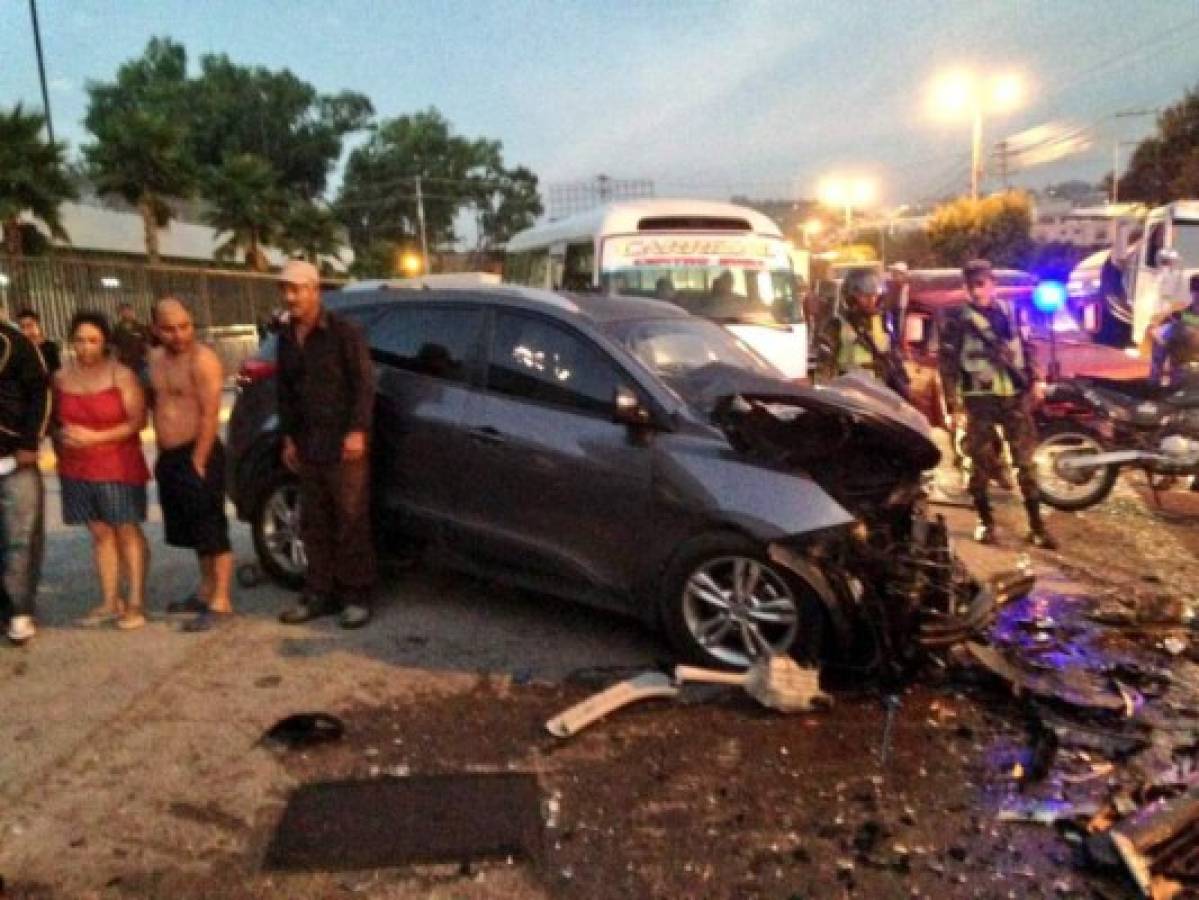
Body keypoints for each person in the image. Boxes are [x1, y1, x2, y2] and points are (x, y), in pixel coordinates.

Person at [275, 260, 376, 629]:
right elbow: (285, 391)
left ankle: (357, 596)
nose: (290, 297)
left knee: (350, 519)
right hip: (307, 442)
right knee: (313, 521)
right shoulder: (286, 337)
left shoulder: (343, 332)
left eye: (297, 289)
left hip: (343, 443)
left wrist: (357, 431)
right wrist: (288, 437)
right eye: (285, 290)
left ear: (315, 290)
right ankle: (319, 593)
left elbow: (364, 384)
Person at [939, 259, 1057, 550]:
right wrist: (953, 406)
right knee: (978, 464)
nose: (976, 290)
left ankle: (1037, 526)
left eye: (981, 283)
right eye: (970, 285)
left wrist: (1037, 379)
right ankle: (985, 522)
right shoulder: (957, 320)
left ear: (992, 284)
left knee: (1025, 464)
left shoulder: (1012, 314)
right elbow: (949, 365)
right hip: (978, 400)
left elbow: (1027, 348)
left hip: (1013, 398)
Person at [52, 312, 151, 630]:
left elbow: (137, 421)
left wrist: (96, 437)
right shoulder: (61, 377)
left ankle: (135, 601)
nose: (85, 347)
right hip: (76, 466)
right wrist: (60, 440)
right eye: (80, 340)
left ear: (105, 342)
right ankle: (110, 599)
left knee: (126, 530)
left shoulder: (120, 375)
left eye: (93, 340)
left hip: (117, 464)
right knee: (99, 533)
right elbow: (52, 419)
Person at [148, 298, 234, 632]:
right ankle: (205, 589)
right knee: (192, 531)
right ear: (156, 329)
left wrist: (199, 460)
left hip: (200, 454)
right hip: (170, 458)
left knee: (212, 528)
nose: (179, 334)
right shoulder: (154, 360)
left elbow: (210, 414)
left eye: (185, 326)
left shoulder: (203, 360)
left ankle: (221, 600)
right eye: (169, 328)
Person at [0, 313, 51, 644]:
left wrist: (29, 442)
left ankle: (19, 611)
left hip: (13, 458)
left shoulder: (16, 343)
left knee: (20, 539)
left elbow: (41, 395)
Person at [819, 269, 912, 401]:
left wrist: (905, 383)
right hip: (849, 393)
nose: (871, 300)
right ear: (851, 297)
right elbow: (824, 366)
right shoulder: (837, 324)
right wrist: (825, 395)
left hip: (881, 392)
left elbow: (894, 355)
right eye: (864, 295)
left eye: (874, 295)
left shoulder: (884, 321)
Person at [1156, 273, 1199, 387]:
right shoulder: (1179, 314)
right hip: (1180, 368)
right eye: (1196, 290)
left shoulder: (1180, 315)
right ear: (1192, 292)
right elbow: (1158, 331)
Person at [112, 302, 153, 377]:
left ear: (132, 311)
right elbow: (115, 346)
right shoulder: (117, 329)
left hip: (140, 361)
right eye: (123, 311)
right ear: (120, 313)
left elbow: (147, 343)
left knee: (145, 381)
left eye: (128, 310)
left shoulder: (140, 327)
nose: (126, 313)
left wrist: (149, 358)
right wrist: (116, 360)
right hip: (125, 361)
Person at [16, 308, 61, 374]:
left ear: (38, 325)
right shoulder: (20, 351)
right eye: (22, 327)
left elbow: (57, 372)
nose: (26, 331)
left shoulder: (50, 347)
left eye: (30, 325)